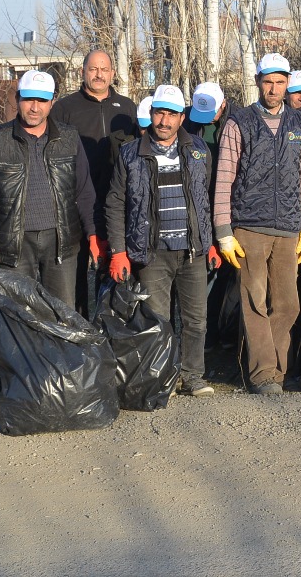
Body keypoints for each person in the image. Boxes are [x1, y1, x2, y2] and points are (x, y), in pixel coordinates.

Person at [103, 84, 217, 397]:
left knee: (196, 321)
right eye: (159, 112)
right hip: (150, 253)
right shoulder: (131, 153)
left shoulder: (197, 150)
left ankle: (193, 377)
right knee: (158, 321)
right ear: (151, 114)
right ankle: (162, 378)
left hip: (192, 250)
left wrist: (210, 242)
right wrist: (119, 252)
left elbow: (205, 198)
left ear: (183, 117)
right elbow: (115, 203)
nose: (164, 120)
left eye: (171, 114)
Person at [212, 52, 301, 395]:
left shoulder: (300, 124)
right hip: (249, 226)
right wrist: (224, 231)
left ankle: (279, 370)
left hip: (287, 227)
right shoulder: (238, 122)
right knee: (254, 301)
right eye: (267, 81)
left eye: (280, 82)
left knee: (287, 304)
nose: (273, 88)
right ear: (258, 83)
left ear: (288, 84)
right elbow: (224, 178)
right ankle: (263, 374)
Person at [0, 70, 97, 307]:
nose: (34, 108)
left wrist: (92, 234)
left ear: (52, 103)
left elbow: (85, 192)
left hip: (61, 240)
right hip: (13, 242)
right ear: (18, 99)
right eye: (28, 99)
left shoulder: (69, 138)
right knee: (19, 316)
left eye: (41, 101)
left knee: (63, 314)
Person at [51, 48, 138, 315]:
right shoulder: (64, 109)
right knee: (74, 274)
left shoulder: (126, 108)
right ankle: (78, 335)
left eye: (104, 69)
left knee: (111, 270)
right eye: (93, 69)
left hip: (115, 204)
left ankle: (109, 333)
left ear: (112, 73)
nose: (99, 75)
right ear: (83, 72)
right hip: (75, 204)